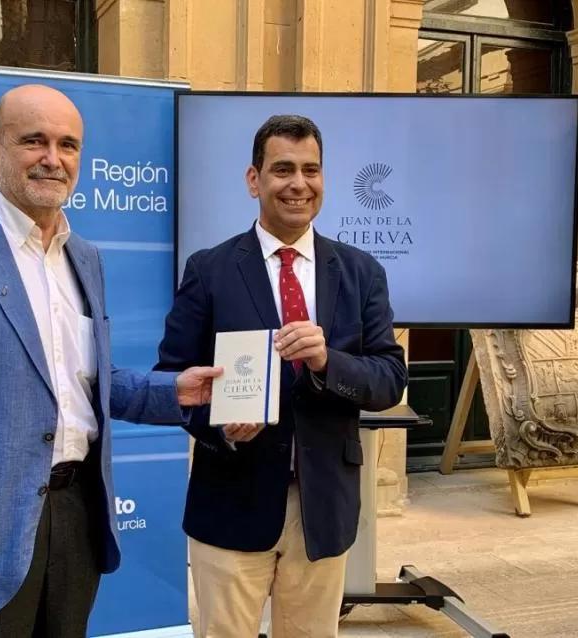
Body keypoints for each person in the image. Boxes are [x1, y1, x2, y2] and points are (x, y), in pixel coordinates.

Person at [0, 84, 220, 638]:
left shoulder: (85, 257)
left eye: (68, 145)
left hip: (77, 519)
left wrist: (173, 391)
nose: (53, 158)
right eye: (34, 141)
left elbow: (80, 381)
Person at [155, 114, 408, 637]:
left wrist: (327, 362)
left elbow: (388, 379)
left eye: (311, 170)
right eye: (283, 169)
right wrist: (220, 427)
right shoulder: (210, 270)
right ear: (255, 180)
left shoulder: (361, 272)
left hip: (322, 507)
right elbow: (172, 378)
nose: (298, 184)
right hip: (231, 502)